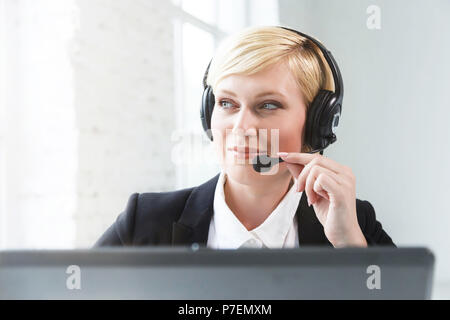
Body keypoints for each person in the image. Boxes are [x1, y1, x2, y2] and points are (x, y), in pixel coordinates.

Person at [94, 26, 394, 249]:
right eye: (227, 103)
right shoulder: (146, 220)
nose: (241, 127)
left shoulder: (354, 221)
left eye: (268, 105)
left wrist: (350, 248)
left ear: (318, 123)